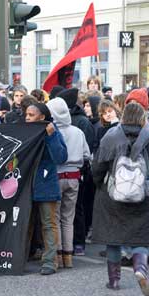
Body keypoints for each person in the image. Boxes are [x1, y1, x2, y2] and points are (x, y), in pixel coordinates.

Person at [92, 103, 149, 296]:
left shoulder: (111, 136)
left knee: (113, 238)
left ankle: (114, 281)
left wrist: (99, 184)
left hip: (112, 195)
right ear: (142, 118)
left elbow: (98, 166)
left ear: (123, 117)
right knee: (140, 236)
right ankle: (140, 268)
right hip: (142, 196)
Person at [47, 98, 91, 267]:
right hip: (74, 176)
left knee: (55, 217)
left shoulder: (51, 131)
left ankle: (58, 254)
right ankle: (68, 255)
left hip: (56, 175)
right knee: (68, 217)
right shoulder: (77, 131)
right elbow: (87, 154)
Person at [26, 103, 68, 275]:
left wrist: (50, 137)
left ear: (42, 117)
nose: (27, 117)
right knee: (24, 224)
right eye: (26, 114)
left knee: (48, 224)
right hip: (26, 185)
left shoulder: (52, 131)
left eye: (31, 114)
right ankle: (18, 259)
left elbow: (61, 157)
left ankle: (50, 262)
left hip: (46, 184)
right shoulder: (24, 131)